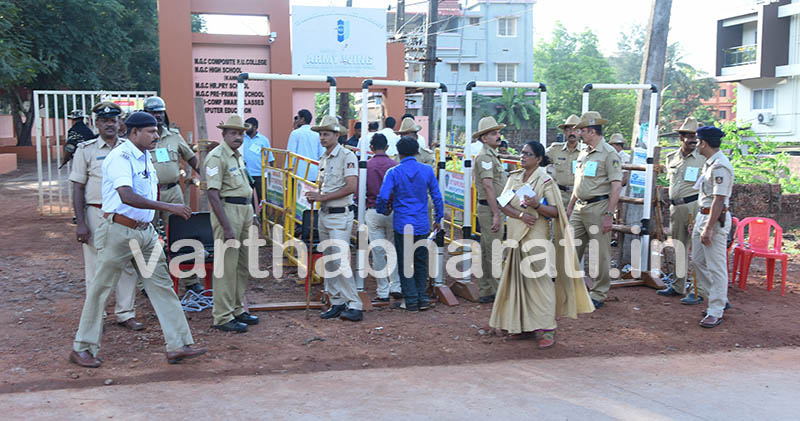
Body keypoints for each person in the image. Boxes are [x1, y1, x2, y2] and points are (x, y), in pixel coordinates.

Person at [69, 111, 207, 368]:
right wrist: (170, 207)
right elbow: (127, 196)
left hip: (144, 233)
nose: (156, 135)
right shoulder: (119, 157)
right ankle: (83, 348)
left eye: (156, 131)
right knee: (101, 289)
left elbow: (146, 192)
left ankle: (178, 344)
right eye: (151, 131)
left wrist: (153, 226)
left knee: (162, 286)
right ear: (133, 132)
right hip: (118, 231)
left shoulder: (145, 155)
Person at [489, 141, 594, 349]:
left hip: (536, 236)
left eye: (528, 154)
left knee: (540, 282)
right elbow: (504, 204)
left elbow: (556, 212)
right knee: (517, 280)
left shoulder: (545, 180)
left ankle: (547, 328)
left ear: (538, 159)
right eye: (522, 153)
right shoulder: (515, 177)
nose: (522, 156)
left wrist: (537, 206)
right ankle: (522, 326)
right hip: (516, 234)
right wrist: (520, 214)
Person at [69, 101, 141, 331]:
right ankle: (96, 315)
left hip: (123, 213)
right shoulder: (85, 150)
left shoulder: (129, 148)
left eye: (113, 120)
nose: (109, 124)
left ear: (120, 123)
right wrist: (80, 223)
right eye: (104, 120)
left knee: (127, 264)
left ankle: (125, 313)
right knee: (96, 266)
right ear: (96, 123)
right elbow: (78, 187)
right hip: (96, 213)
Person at [205, 115, 261, 333]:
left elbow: (248, 186)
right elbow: (212, 193)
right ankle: (222, 315)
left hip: (245, 211)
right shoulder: (216, 157)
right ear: (224, 135)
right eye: (233, 133)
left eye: (241, 133)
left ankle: (238, 309)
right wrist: (226, 226)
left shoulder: (238, 156)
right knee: (226, 266)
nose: (238, 137)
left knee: (242, 264)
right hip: (228, 211)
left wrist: (254, 216)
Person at [305, 115, 363, 322]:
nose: (322, 137)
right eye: (321, 134)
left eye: (326, 134)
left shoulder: (347, 156)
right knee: (329, 260)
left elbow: (351, 186)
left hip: (340, 214)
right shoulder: (324, 158)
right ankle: (337, 301)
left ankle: (354, 303)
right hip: (324, 213)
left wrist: (322, 197)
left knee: (340, 259)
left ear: (336, 135)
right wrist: (315, 196)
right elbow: (324, 186)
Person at [143, 96, 204, 294]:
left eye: (160, 112)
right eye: (153, 113)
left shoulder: (174, 137)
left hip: (172, 192)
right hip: (149, 196)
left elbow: (192, 159)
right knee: (147, 238)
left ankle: (190, 280)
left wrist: (208, 177)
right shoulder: (141, 138)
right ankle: (149, 281)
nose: (157, 116)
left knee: (181, 234)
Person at [377, 137, 444, 311]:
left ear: (399, 153)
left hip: (402, 223)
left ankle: (411, 299)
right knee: (421, 260)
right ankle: (423, 298)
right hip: (422, 223)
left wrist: (382, 210)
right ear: (417, 152)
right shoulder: (427, 171)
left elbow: (383, 196)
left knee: (405, 261)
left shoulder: (393, 172)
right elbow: (437, 196)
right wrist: (438, 218)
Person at [567, 111, 623, 309]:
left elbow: (616, 185)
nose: (580, 133)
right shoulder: (584, 152)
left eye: (582, 130)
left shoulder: (609, 154)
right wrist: (570, 207)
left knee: (599, 253)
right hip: (579, 207)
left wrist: (609, 214)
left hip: (598, 207)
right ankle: (570, 288)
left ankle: (599, 292)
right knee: (571, 248)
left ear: (591, 131)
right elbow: (578, 182)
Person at [658, 117, 707, 303]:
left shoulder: (703, 158)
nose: (694, 139)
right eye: (690, 136)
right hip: (676, 207)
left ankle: (698, 290)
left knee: (698, 250)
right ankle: (678, 286)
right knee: (679, 247)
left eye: (696, 136)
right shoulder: (672, 157)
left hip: (695, 205)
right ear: (681, 137)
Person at [692, 126, 734, 328]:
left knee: (716, 266)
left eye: (698, 141)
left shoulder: (719, 166)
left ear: (704, 143)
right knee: (698, 260)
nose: (696, 145)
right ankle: (719, 298)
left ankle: (716, 309)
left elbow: (719, 199)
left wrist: (708, 228)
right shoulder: (709, 164)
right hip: (703, 215)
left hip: (714, 219)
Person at [473, 116, 508, 303]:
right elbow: (488, 186)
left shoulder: (491, 155)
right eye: (493, 133)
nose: (498, 136)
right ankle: (498, 290)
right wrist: (496, 214)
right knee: (494, 250)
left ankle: (487, 289)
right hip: (491, 208)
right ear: (484, 138)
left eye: (498, 132)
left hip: (490, 208)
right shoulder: (486, 157)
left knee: (488, 249)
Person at [364, 133, 402, 302]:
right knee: (392, 248)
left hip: (373, 210)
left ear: (371, 148)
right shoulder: (395, 165)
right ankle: (396, 286)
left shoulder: (365, 166)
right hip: (393, 211)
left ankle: (383, 290)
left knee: (378, 250)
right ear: (387, 147)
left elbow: (360, 191)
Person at [546, 114, 583, 207]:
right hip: (559, 195)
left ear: (580, 132)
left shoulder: (586, 151)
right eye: (568, 130)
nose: (572, 132)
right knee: (557, 220)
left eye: (575, 130)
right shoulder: (555, 149)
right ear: (564, 132)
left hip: (579, 196)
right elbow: (538, 159)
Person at [242, 117, 275, 208]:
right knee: (248, 199)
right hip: (246, 174)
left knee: (263, 199)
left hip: (260, 175)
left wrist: (272, 175)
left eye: (248, 126)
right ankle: (252, 218)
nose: (245, 128)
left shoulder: (263, 140)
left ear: (255, 127)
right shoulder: (242, 138)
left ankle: (264, 218)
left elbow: (270, 158)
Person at [286, 109, 323, 182]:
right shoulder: (317, 134)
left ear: (302, 119)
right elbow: (321, 154)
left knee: (296, 193)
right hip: (313, 172)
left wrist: (288, 169)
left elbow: (291, 153)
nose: (296, 120)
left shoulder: (295, 133)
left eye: (298, 118)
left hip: (299, 173)